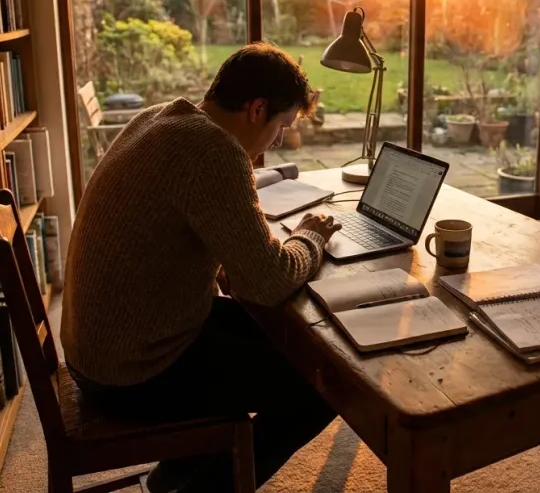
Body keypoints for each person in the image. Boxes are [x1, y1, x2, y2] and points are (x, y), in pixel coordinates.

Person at [60, 43, 341, 492]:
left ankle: (181, 471)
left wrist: (226, 264)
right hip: (131, 372)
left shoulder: (160, 118)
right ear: (256, 109)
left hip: (98, 349)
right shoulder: (214, 152)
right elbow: (268, 282)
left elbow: (165, 235)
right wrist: (310, 236)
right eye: (281, 128)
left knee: (281, 338)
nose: (277, 142)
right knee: (323, 381)